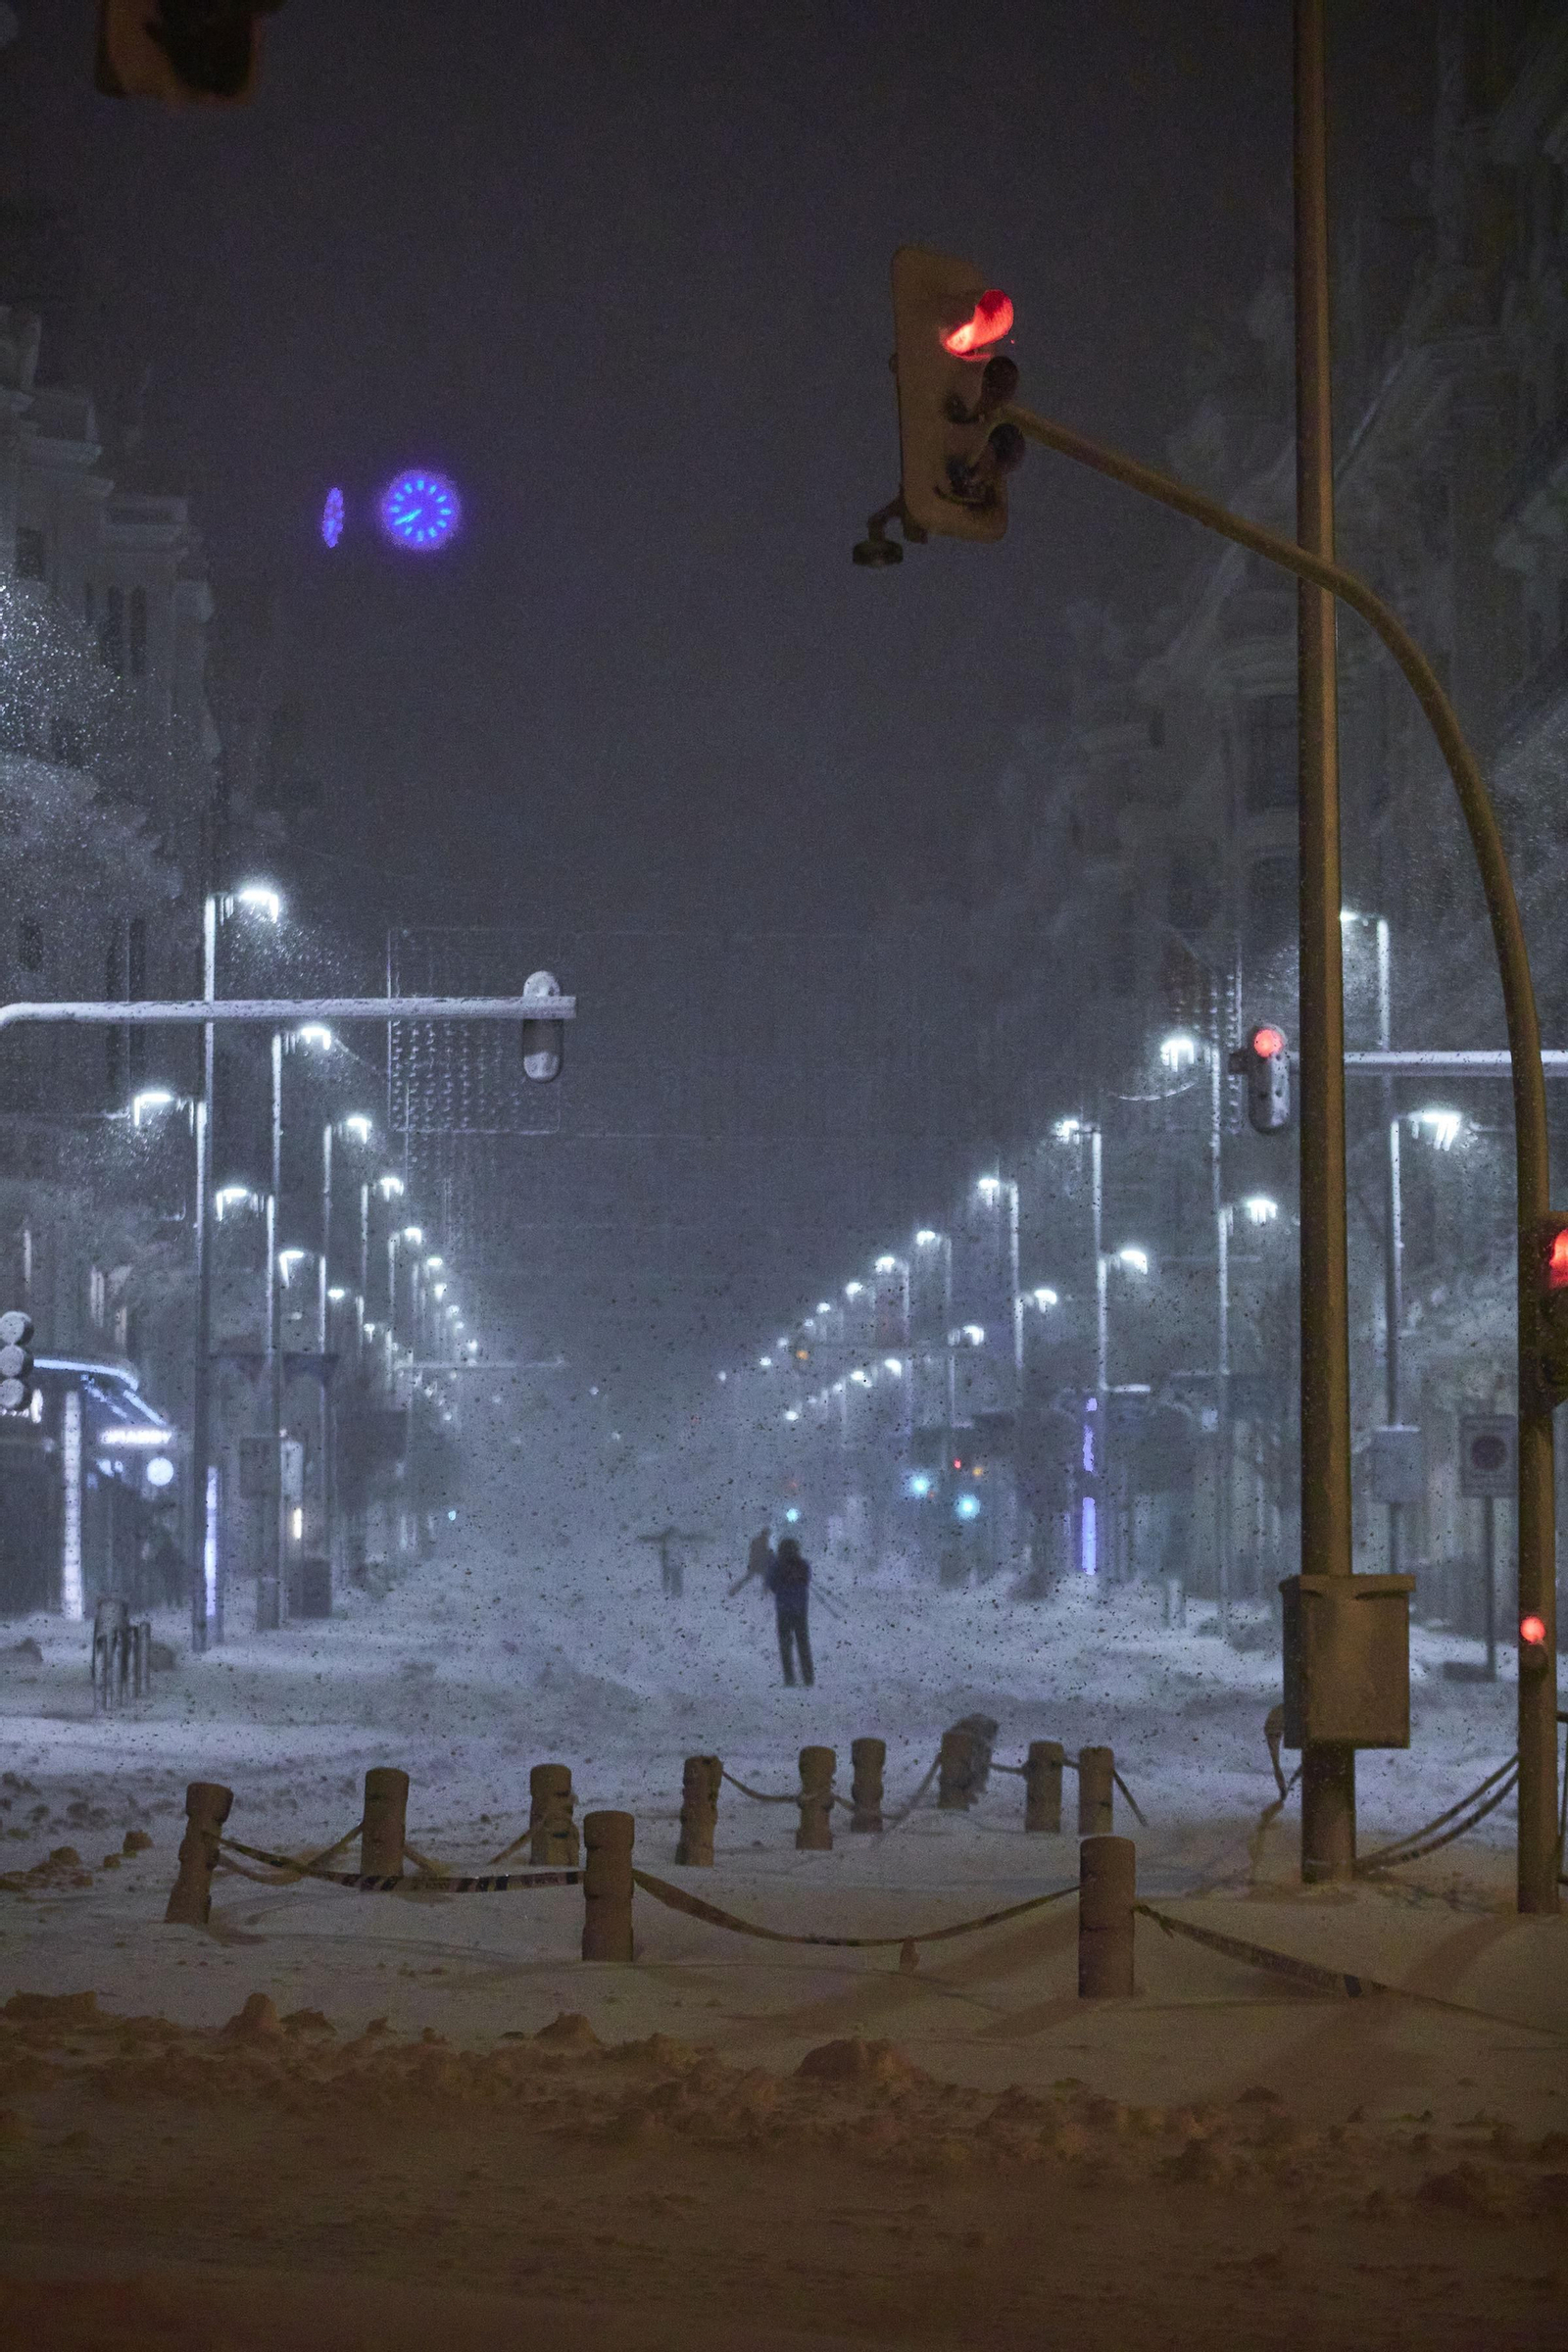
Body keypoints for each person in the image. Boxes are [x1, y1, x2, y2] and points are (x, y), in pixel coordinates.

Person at [767, 1534, 813, 1688]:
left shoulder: (777, 1565)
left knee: (785, 1644)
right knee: (803, 1643)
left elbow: (771, 1584)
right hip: (801, 1609)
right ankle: (808, 1677)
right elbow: (807, 1581)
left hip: (783, 1609)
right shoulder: (803, 1564)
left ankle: (789, 1678)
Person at [728, 1524, 774, 1599]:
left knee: (749, 1578)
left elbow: (754, 1552)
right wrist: (769, 1553)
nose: (768, 1536)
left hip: (755, 1563)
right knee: (765, 1578)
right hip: (758, 1564)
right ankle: (765, 1594)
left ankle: (733, 1590)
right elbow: (761, 1552)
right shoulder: (762, 1541)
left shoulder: (758, 1540)